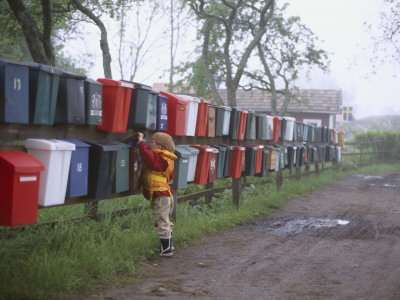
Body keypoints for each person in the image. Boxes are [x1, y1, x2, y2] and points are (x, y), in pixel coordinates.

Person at [137, 132, 177, 257]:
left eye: (152, 142)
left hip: (162, 196)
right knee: (164, 220)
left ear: (159, 146)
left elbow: (148, 157)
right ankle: (168, 246)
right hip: (165, 195)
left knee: (161, 220)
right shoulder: (168, 159)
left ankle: (166, 250)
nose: (150, 144)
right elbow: (171, 177)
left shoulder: (159, 158)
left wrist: (141, 142)